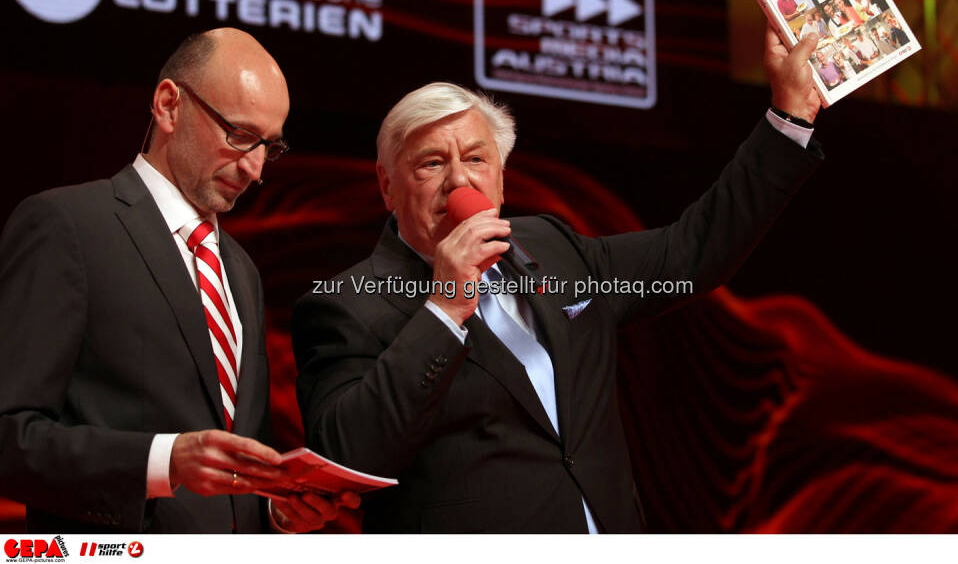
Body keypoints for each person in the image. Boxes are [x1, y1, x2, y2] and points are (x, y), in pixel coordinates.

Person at [291, 27, 825, 533]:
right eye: (431, 164)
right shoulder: (347, 305)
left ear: (500, 174)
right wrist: (445, 306)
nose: (460, 180)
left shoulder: (549, 245)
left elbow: (690, 253)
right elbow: (345, 453)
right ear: (387, 186)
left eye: (477, 158)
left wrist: (790, 117)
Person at [0, 28, 357, 533]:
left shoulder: (241, 269)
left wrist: (277, 507)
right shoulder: (67, 226)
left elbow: (239, 462)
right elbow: (10, 435)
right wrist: (162, 460)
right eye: (239, 135)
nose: (256, 170)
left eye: (268, 147)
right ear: (169, 105)